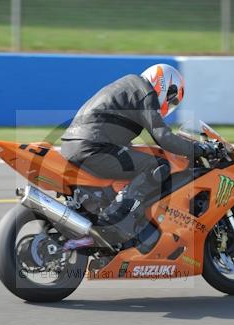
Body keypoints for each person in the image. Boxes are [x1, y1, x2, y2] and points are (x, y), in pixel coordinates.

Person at [60, 64, 215, 224]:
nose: (169, 103)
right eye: (172, 98)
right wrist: (199, 148)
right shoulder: (145, 91)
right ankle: (118, 217)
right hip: (93, 147)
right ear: (166, 85)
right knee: (156, 166)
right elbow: (162, 136)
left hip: (77, 144)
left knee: (141, 157)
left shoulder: (130, 85)